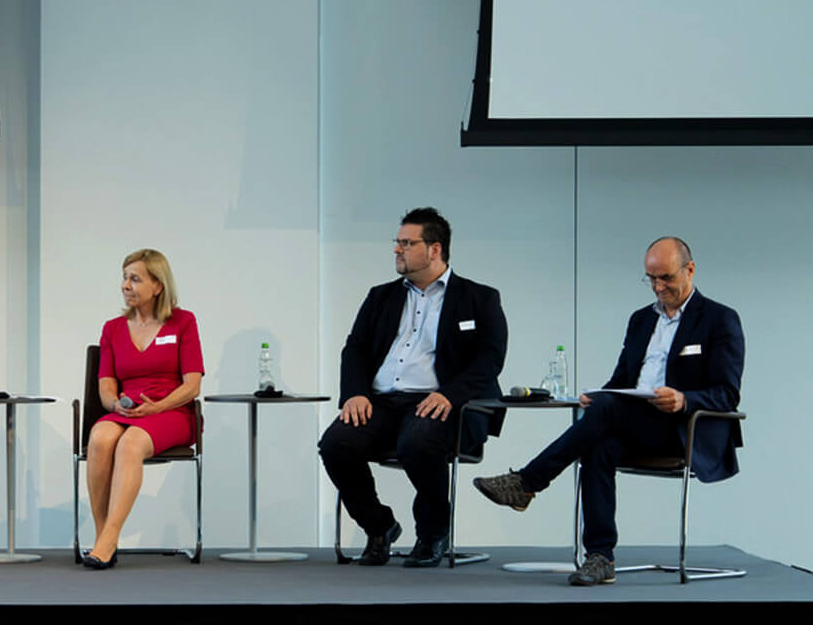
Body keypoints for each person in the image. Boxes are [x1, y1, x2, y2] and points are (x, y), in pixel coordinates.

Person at [474, 236, 744, 586]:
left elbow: (727, 393)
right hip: (635, 422)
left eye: (666, 278)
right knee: (597, 444)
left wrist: (684, 399)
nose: (658, 287)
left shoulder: (719, 320)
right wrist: (599, 394)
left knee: (603, 417)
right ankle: (600, 557)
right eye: (652, 279)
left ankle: (528, 482)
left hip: (683, 429)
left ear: (689, 270)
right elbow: (621, 380)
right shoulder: (640, 320)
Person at [318, 207, 507, 567]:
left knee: (419, 440)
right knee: (335, 444)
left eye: (407, 243)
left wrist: (449, 394)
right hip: (383, 403)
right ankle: (380, 527)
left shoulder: (479, 298)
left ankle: (433, 533)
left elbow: (490, 359)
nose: (397, 250)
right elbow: (354, 349)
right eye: (397, 242)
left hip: (443, 403)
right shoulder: (380, 297)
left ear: (434, 250)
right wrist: (355, 393)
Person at [83, 249, 204, 569]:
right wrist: (115, 405)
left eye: (135, 278)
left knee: (130, 444)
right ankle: (102, 537)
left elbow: (192, 385)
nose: (126, 285)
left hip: (173, 411)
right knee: (100, 437)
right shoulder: (112, 328)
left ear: (158, 286)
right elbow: (106, 387)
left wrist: (158, 407)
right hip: (128, 410)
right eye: (124, 277)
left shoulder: (184, 322)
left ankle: (109, 538)